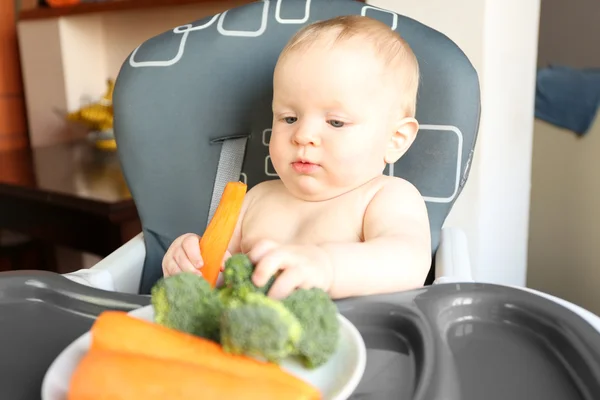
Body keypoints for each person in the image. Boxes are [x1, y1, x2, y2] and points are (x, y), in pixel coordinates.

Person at [162, 15, 431, 300]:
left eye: (336, 122)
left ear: (395, 139)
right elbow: (217, 274)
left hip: (350, 338)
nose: (303, 135)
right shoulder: (256, 198)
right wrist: (189, 260)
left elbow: (409, 262)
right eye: (289, 118)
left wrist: (327, 267)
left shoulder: (385, 197)